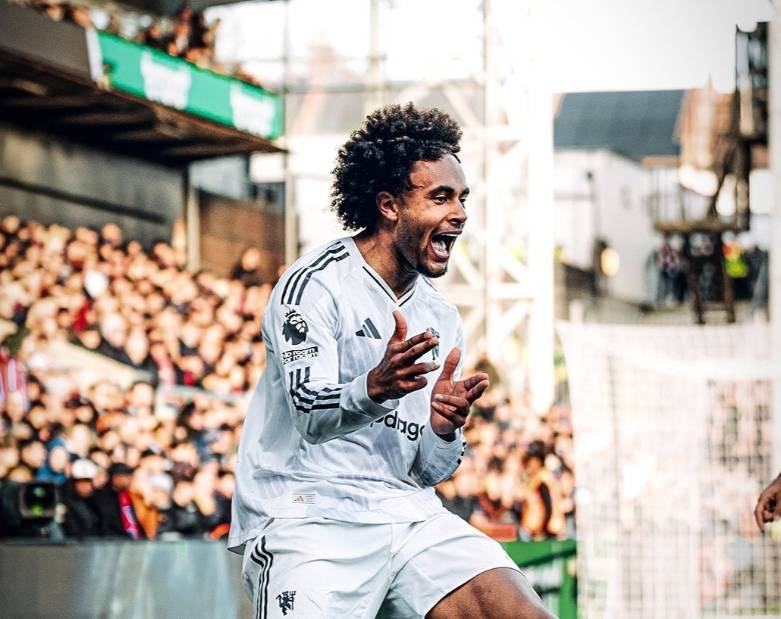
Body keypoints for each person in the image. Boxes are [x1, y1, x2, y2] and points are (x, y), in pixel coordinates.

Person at [230, 104, 551, 619]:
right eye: (440, 197)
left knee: (516, 612)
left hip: (405, 513)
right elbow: (310, 414)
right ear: (389, 205)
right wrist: (374, 387)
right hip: (307, 513)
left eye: (462, 198)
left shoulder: (440, 317)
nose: (460, 213)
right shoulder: (314, 284)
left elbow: (428, 469)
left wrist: (443, 430)